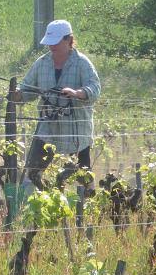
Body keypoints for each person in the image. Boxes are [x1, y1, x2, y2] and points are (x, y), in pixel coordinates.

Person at [14, 19, 101, 191]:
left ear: (68, 40)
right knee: (33, 171)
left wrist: (77, 93)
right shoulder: (42, 62)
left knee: (82, 173)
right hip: (48, 124)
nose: (51, 47)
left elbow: (95, 88)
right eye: (49, 43)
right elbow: (28, 88)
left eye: (55, 42)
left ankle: (88, 202)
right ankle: (45, 197)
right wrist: (18, 93)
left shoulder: (82, 63)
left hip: (75, 127)